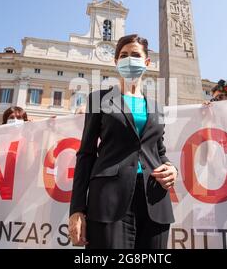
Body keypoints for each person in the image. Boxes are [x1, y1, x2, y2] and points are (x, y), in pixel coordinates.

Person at [68, 34, 178, 249]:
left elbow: (159, 151)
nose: (129, 59)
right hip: (108, 200)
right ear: (116, 61)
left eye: (135, 55)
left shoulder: (157, 107)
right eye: (123, 55)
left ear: (146, 62)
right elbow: (86, 155)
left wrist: (172, 168)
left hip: (154, 200)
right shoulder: (98, 99)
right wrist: (77, 209)